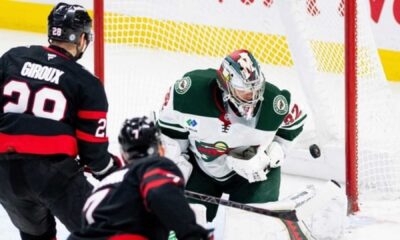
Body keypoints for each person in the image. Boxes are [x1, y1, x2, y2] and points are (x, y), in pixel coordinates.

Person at [0, 3, 122, 240]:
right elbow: (93, 153)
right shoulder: (86, 83)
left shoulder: (12, 57)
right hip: (52, 174)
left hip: (4, 174)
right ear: (82, 38)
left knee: (37, 236)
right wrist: (115, 171)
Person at [158, 49, 307, 222]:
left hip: (255, 176)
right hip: (202, 169)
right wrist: (174, 175)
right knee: (184, 224)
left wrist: (269, 156)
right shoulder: (189, 94)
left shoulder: (274, 103)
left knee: (252, 229)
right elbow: (169, 136)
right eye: (244, 91)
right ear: (225, 85)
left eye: (256, 88)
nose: (253, 97)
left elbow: (293, 126)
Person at [68, 116, 212, 240]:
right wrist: (193, 234)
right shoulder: (154, 166)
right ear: (160, 149)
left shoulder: (104, 185)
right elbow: (159, 192)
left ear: (123, 154)